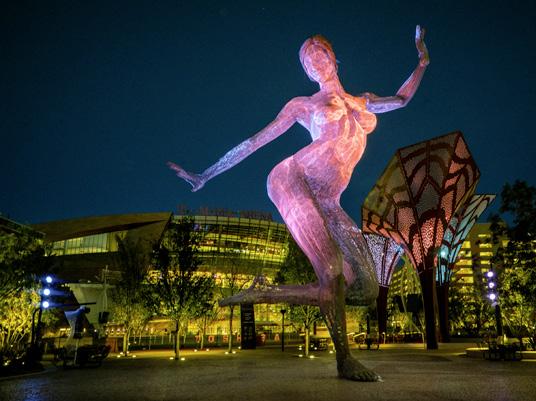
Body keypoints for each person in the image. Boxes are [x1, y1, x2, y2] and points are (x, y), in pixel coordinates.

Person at [168, 26, 429, 381]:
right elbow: (255, 141)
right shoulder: (304, 105)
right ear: (307, 73)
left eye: (320, 52)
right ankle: (345, 361)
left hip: (329, 198)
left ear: (334, 59)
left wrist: (422, 60)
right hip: (293, 179)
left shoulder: (362, 101)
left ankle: (267, 292)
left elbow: (401, 100)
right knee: (333, 270)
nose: (315, 61)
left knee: (366, 285)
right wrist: (206, 175)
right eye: (308, 61)